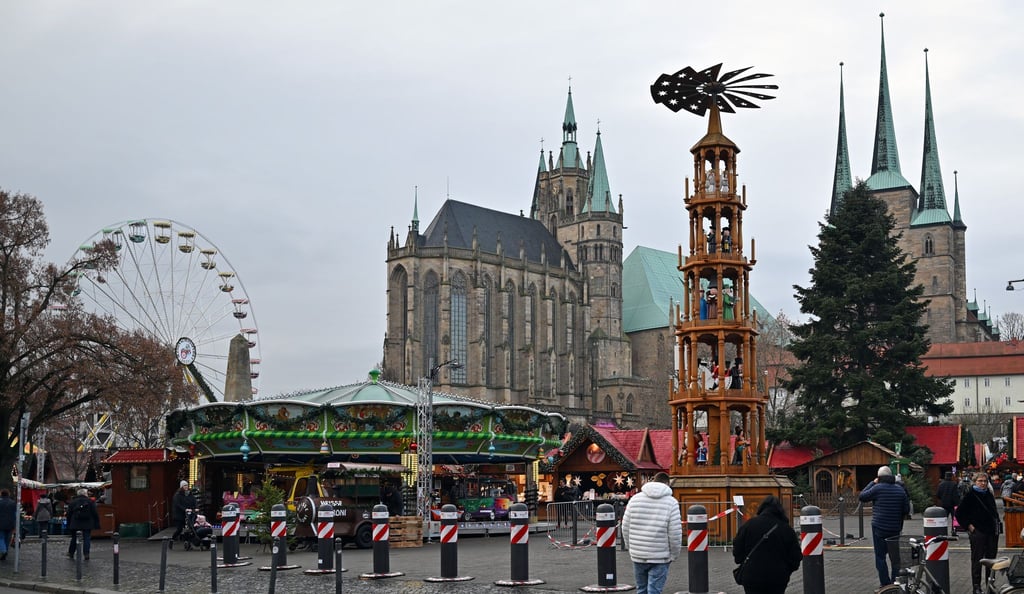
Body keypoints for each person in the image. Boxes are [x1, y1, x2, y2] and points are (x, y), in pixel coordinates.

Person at [621, 472, 682, 594]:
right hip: (660, 555)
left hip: (638, 554)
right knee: (654, 590)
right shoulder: (671, 502)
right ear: (667, 484)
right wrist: (674, 554)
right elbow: (675, 532)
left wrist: (630, 547)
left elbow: (625, 527)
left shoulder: (635, 499)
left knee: (641, 589)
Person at [732, 495, 802, 594]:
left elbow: (737, 550)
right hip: (777, 578)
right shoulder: (786, 529)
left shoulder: (749, 525)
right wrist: (787, 569)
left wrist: (742, 560)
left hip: (752, 577)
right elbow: (796, 556)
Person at [858, 465, 909, 587]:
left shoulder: (877, 488)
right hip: (895, 529)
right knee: (895, 559)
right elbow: (906, 510)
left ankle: (885, 584)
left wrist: (872, 483)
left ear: (879, 477)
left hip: (879, 528)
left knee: (880, 557)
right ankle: (895, 583)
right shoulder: (900, 490)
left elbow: (862, 496)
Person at [956, 472, 1001, 594]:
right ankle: (976, 586)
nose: (983, 483)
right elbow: (959, 514)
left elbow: (994, 512)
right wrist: (970, 527)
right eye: (980, 481)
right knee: (977, 560)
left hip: (992, 532)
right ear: (975, 482)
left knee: (991, 560)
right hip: (978, 532)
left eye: (985, 481)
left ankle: (990, 584)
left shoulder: (989, 495)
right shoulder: (970, 495)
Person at [66, 488, 99, 560]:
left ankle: (71, 553)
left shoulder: (73, 502)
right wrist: (96, 523)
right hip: (87, 522)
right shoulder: (90, 501)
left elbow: (69, 514)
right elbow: (95, 513)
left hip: (75, 522)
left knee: (74, 538)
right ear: (85, 494)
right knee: (87, 538)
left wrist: (69, 524)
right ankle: (86, 554)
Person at [170, 480, 196, 548]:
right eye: (184, 485)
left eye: (187, 485)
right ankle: (172, 539)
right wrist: (185, 509)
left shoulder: (189, 494)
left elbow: (193, 501)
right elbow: (178, 504)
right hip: (179, 515)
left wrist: (195, 508)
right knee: (179, 529)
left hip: (188, 514)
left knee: (188, 529)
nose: (186, 487)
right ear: (181, 486)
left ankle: (187, 542)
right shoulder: (177, 495)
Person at [0, 490, 16, 561]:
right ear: (8, 494)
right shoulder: (12, 503)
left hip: (1, 524)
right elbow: (15, 514)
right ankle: (5, 550)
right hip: (10, 524)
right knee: (7, 539)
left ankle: (4, 551)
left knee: (1, 538)